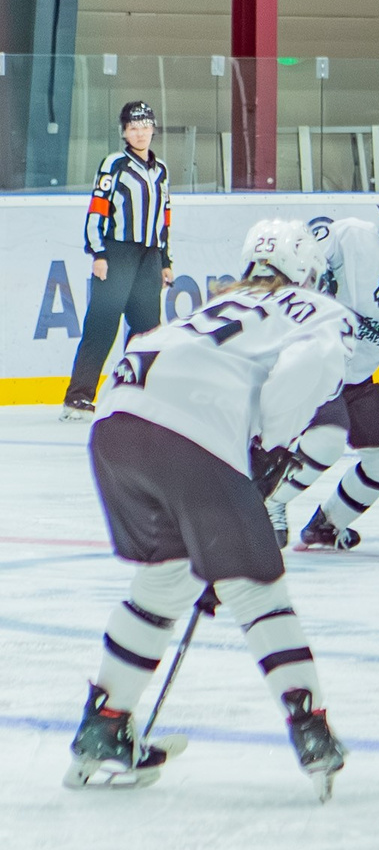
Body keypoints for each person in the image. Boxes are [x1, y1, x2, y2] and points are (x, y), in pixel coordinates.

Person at [65, 219, 355, 798]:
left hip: (115, 427)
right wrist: (270, 442)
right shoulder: (319, 309)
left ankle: (105, 723)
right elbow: (306, 371)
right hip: (191, 433)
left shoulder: (215, 303)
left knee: (164, 580)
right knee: (256, 590)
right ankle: (310, 728)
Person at [263, 183, 379, 551]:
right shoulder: (350, 236)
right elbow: (296, 263)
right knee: (327, 442)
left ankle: (327, 524)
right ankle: (270, 502)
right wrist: (317, 280)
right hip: (315, 365)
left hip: (357, 378)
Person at [63, 99, 175, 420]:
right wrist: (98, 253)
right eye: (133, 128)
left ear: (153, 129)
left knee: (147, 330)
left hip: (149, 256)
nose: (140, 133)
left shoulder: (162, 170)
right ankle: (78, 397)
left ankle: (133, 394)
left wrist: (165, 260)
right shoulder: (114, 164)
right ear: (124, 132)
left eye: (145, 127)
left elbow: (164, 217)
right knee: (102, 325)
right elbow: (97, 210)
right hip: (117, 253)